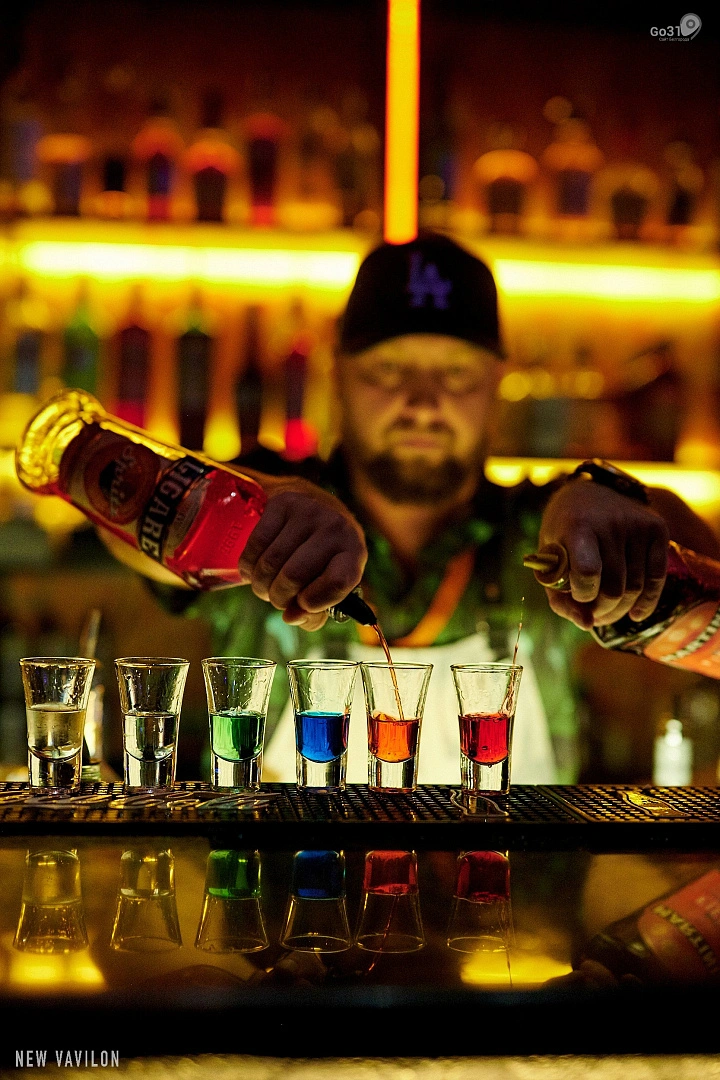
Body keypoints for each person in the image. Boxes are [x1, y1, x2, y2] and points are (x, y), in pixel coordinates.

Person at [149, 233, 720, 784]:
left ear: (497, 384)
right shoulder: (257, 508)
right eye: (389, 369)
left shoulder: (538, 535)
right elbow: (125, 523)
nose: (422, 404)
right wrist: (245, 511)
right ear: (337, 374)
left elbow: (692, 548)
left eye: (455, 373)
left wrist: (612, 502)